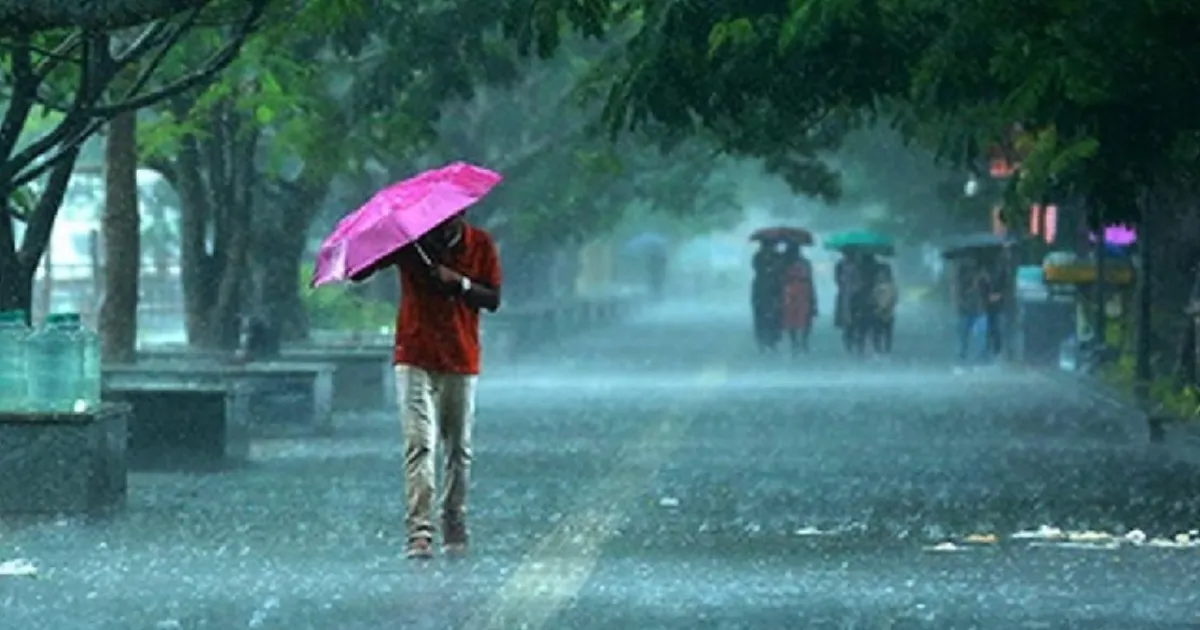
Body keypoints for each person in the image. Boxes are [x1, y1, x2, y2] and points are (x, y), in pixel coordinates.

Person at [351, 213, 502, 559]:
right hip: (414, 354)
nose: (443, 222)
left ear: (463, 213)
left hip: (461, 357)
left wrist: (459, 283)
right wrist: (375, 242)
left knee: (458, 448)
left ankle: (454, 519)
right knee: (419, 443)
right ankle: (419, 531)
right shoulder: (411, 243)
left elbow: (493, 299)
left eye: (451, 217)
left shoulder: (480, 244)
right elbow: (360, 272)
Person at [781, 242, 817, 355]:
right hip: (794, 291)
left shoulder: (802, 263)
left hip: (797, 290)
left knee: (802, 316)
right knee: (794, 316)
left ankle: (800, 341)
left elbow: (810, 279)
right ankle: (797, 341)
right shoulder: (786, 264)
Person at [751, 240, 786, 352]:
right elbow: (758, 268)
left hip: (774, 288)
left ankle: (772, 340)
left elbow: (782, 268)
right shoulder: (758, 256)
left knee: (775, 315)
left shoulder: (777, 256)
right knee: (761, 315)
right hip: (762, 288)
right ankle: (762, 340)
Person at [954, 259, 989, 363]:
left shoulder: (983, 275)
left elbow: (987, 289)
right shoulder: (963, 273)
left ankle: (978, 355)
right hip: (966, 307)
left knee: (980, 333)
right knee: (964, 332)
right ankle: (963, 353)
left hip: (979, 308)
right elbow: (959, 289)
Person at [870, 263, 898, 354]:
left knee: (887, 334)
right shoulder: (876, 286)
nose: (881, 276)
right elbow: (873, 298)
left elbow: (893, 299)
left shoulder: (892, 287)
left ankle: (886, 350)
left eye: (883, 274)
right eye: (880, 274)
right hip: (877, 313)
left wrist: (883, 307)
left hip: (887, 314)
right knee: (877, 334)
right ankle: (878, 350)